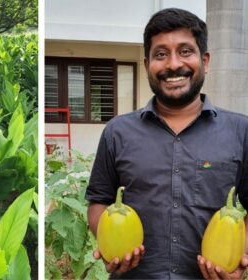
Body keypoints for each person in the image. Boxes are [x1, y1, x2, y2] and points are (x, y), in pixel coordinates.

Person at [85, 8, 248, 279]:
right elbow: (99, 202)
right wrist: (110, 244)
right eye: (161, 54)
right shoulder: (118, 132)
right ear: (147, 63)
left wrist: (239, 258)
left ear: (204, 61)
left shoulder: (241, 131)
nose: (173, 64)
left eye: (185, 51)